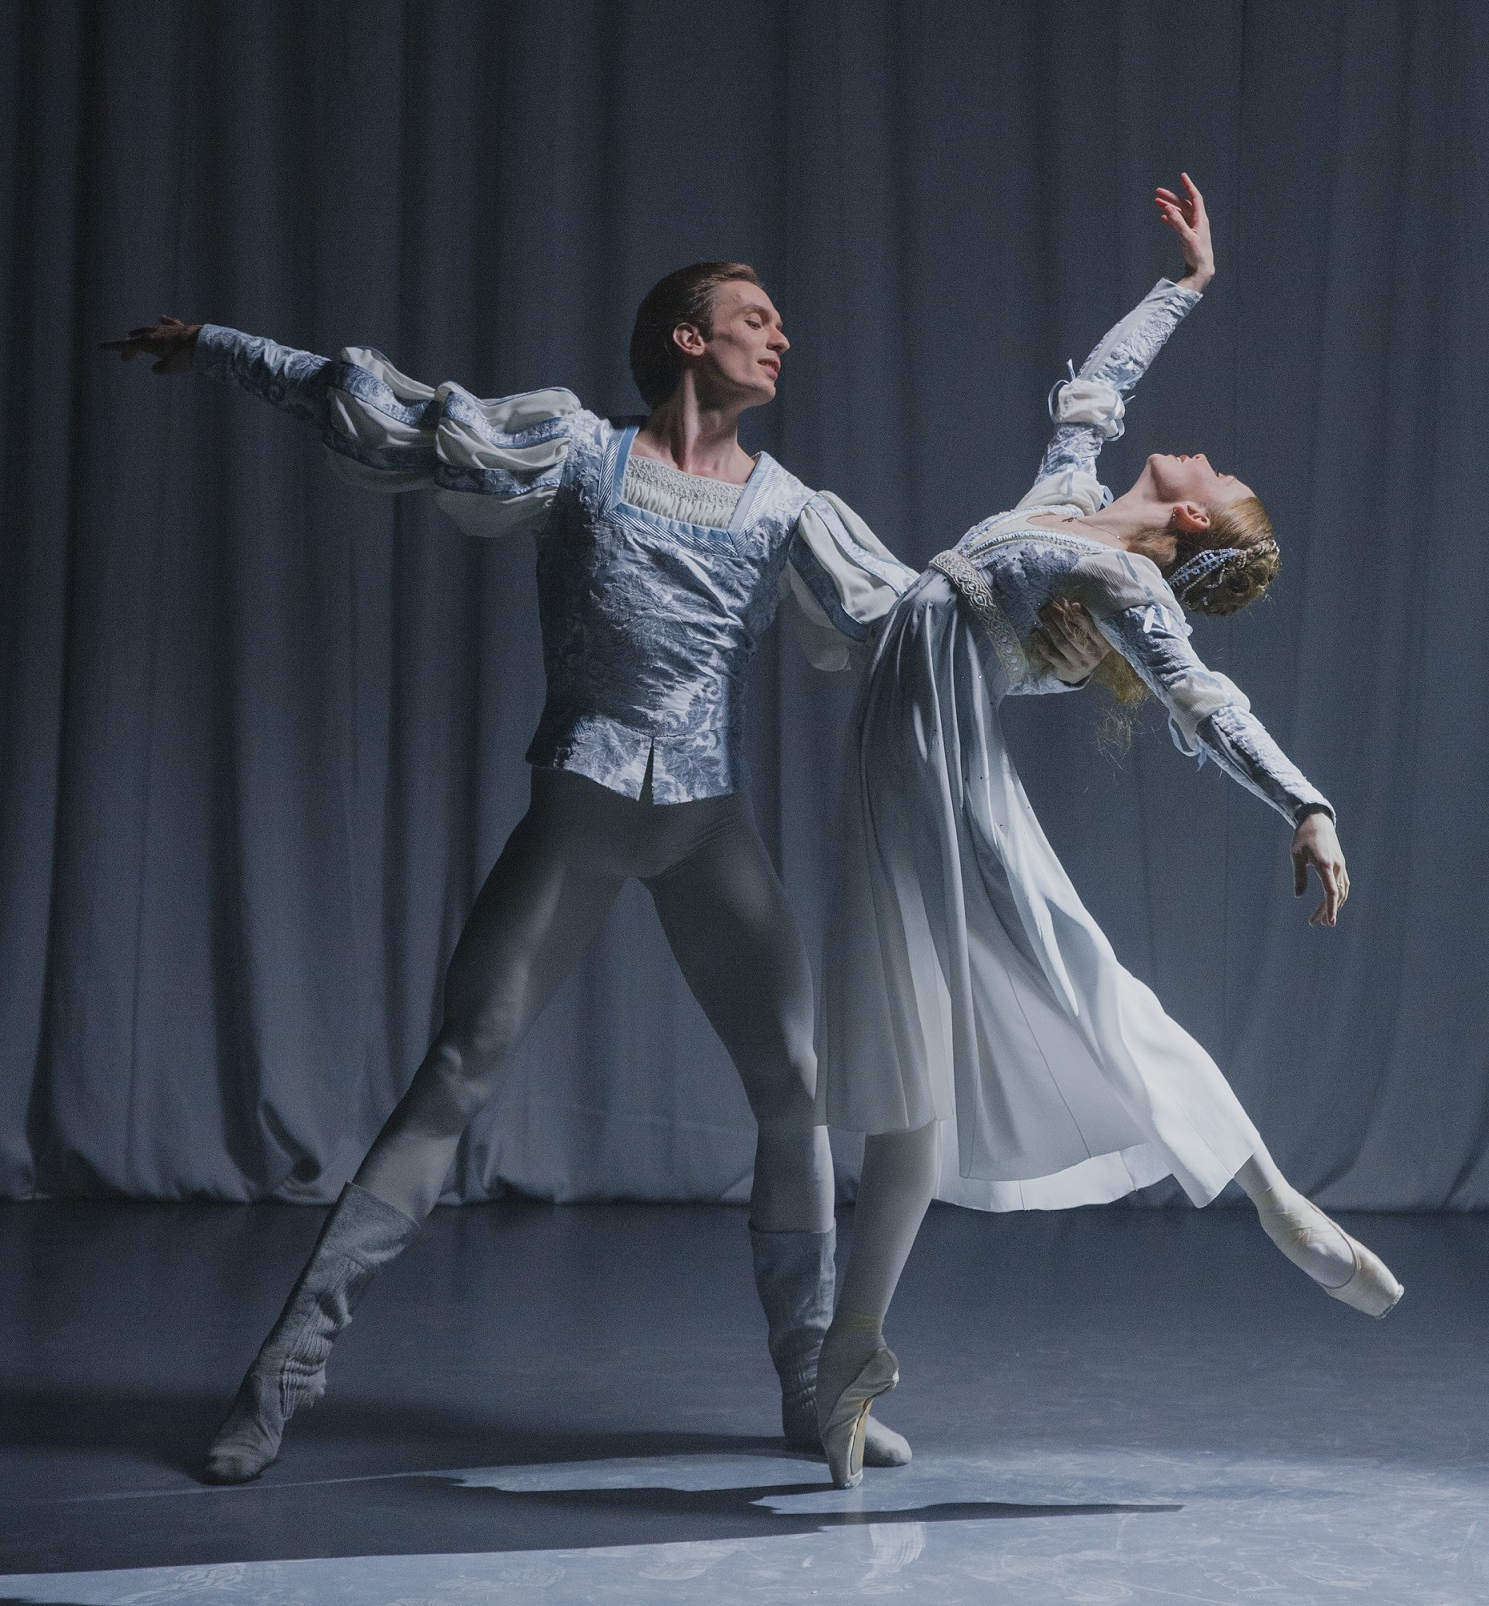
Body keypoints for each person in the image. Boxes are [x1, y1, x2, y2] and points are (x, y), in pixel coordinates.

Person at [108, 263, 1027, 1482]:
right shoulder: (577, 453)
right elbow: (398, 413)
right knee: (456, 1069)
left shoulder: (789, 508)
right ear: (688, 338)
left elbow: (917, 623)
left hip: (705, 824)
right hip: (580, 810)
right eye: (756, 319)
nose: (781, 337)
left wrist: (1087, 592)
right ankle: (283, 1370)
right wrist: (226, 347)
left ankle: (812, 1386)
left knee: (796, 1084)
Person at [809, 177, 1402, 1490]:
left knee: (1086, 981)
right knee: (912, 1077)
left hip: (940, 777)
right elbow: (1103, 383)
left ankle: (1272, 1196)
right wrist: (1185, 284)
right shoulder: (1067, 494)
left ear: (1193, 518)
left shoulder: (1122, 578)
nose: (1211, 457)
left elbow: (1205, 704)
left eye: (1222, 479)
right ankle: (850, 1358)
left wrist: (1307, 803)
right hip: (895, 767)